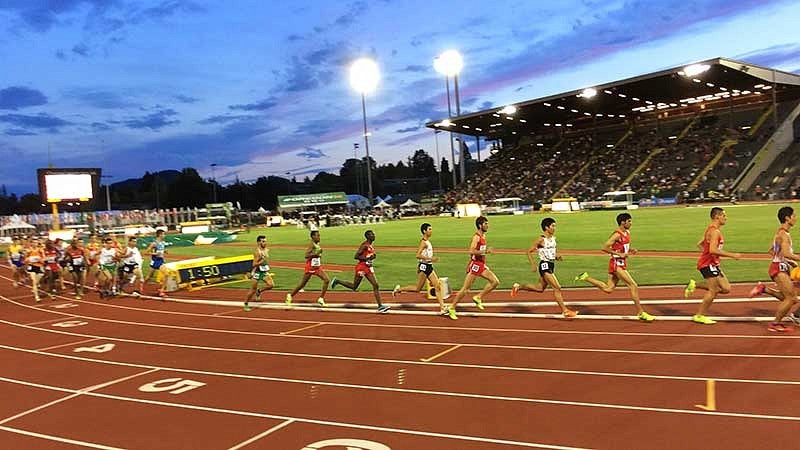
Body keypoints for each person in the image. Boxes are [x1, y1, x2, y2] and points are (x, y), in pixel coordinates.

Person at [574, 213, 655, 321]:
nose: (631, 223)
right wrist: (619, 254)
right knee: (633, 285)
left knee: (608, 289)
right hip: (616, 263)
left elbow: (623, 246)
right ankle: (640, 312)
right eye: (629, 221)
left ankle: (586, 277)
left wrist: (630, 250)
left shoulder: (627, 233)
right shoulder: (617, 234)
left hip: (621, 263)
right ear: (623, 222)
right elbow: (604, 247)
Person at [684, 207, 742, 324]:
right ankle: (699, 315)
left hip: (711, 263)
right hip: (708, 264)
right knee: (713, 290)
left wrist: (707, 255)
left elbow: (700, 244)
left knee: (726, 288)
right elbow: (713, 250)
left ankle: (695, 285)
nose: (726, 218)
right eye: (724, 215)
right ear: (717, 216)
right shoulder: (715, 232)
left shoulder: (711, 230)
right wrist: (732, 255)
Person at [511, 217, 577, 318]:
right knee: (557, 287)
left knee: (539, 288)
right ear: (546, 227)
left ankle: (518, 287)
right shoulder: (541, 239)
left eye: (555, 226)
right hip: (544, 265)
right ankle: (565, 311)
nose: (554, 228)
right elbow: (528, 251)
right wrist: (533, 264)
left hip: (551, 264)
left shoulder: (553, 239)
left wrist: (556, 256)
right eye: (552, 226)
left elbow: (550, 252)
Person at [751, 207, 800, 332]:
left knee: (787, 298)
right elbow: (786, 253)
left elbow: (772, 251)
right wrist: (794, 259)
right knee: (791, 298)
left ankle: (764, 289)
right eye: (794, 216)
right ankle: (775, 324)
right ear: (787, 218)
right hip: (779, 268)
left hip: (780, 266)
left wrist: (788, 262)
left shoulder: (781, 233)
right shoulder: (783, 234)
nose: (796, 218)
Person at [447, 216, 499, 320]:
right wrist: (486, 252)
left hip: (481, 264)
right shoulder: (477, 237)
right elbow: (471, 251)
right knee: (465, 289)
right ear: (480, 225)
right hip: (475, 265)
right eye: (485, 224)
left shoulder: (483, 236)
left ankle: (478, 297)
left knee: (495, 282)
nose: (487, 226)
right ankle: (452, 307)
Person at [392, 223, 447, 316]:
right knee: (418, 289)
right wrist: (431, 259)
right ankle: (399, 289)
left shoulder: (428, 241)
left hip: (429, 266)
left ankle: (443, 308)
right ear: (424, 231)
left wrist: (430, 260)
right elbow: (417, 255)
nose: (431, 231)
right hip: (424, 266)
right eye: (429, 229)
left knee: (437, 286)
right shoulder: (423, 242)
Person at [331, 230, 390, 313]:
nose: (374, 236)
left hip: (368, 268)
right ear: (367, 236)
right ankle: (337, 281)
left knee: (375, 285)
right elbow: (356, 256)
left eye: (374, 234)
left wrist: (372, 257)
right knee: (355, 286)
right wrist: (368, 258)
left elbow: (368, 256)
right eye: (371, 234)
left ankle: (380, 306)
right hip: (362, 268)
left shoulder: (370, 246)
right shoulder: (364, 245)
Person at [285, 230, 329, 307]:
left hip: (317, 267)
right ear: (313, 237)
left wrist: (318, 256)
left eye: (319, 235)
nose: (319, 237)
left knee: (327, 280)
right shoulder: (311, 245)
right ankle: (290, 296)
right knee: (302, 284)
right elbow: (306, 255)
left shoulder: (317, 244)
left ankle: (321, 298)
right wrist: (316, 254)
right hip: (310, 267)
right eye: (317, 236)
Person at [244, 235, 274, 311]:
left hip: (263, 271)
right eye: (263, 241)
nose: (265, 243)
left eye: (265, 241)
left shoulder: (266, 250)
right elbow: (254, 264)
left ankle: (259, 291)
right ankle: (246, 303)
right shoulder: (257, 252)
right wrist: (261, 261)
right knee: (252, 290)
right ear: (258, 242)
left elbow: (265, 259)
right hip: (257, 272)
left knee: (271, 285)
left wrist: (264, 263)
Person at [143, 229, 168, 296]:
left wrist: (164, 251)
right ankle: (142, 286)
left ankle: (162, 290)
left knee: (166, 274)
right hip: (155, 261)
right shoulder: (154, 243)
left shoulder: (163, 243)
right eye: (163, 234)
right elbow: (146, 252)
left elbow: (161, 250)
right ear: (160, 235)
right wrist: (155, 254)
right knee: (150, 276)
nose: (164, 235)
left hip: (161, 261)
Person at [24, 238, 45, 302]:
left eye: (36, 243)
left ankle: (34, 288)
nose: (35, 244)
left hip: (39, 266)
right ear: (31, 243)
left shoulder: (40, 250)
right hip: (31, 266)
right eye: (33, 243)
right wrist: (29, 259)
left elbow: (44, 258)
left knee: (37, 281)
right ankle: (37, 297)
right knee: (34, 281)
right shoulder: (28, 251)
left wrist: (40, 260)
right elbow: (25, 260)